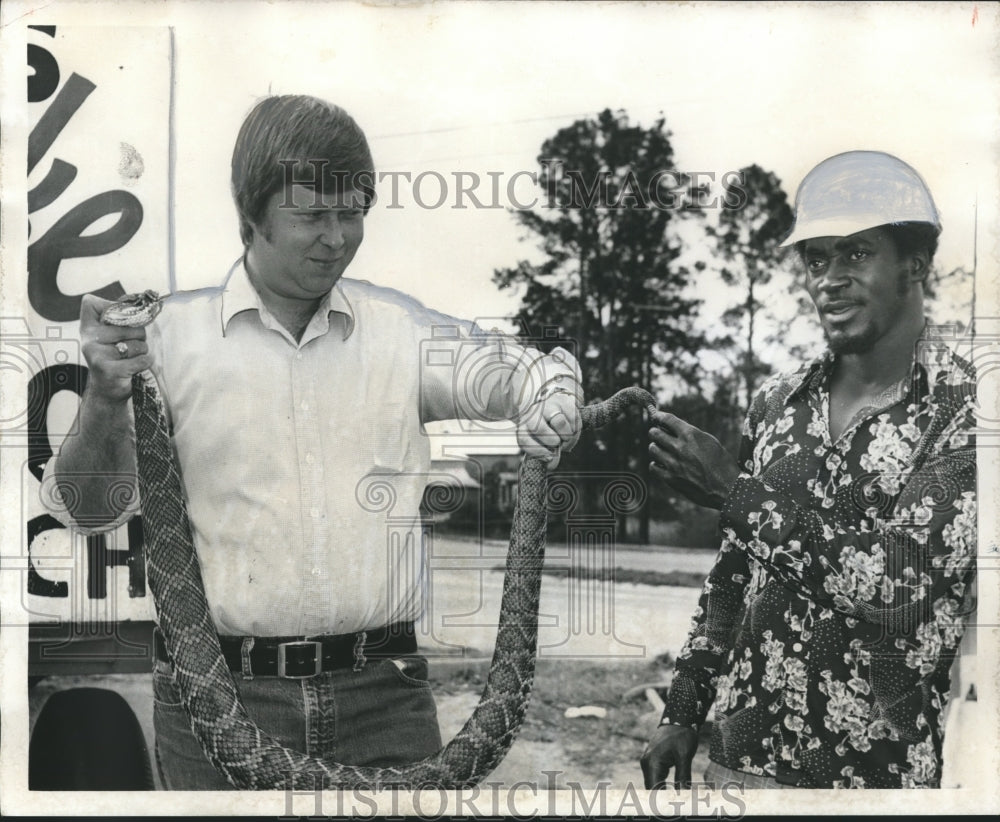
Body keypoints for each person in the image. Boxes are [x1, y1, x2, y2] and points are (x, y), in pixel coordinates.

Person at [43, 94, 582, 789]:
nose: (338, 236)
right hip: (220, 700)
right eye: (312, 215)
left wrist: (553, 396)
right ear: (252, 217)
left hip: (384, 699)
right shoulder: (165, 344)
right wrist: (106, 393)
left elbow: (519, 374)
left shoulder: (401, 334)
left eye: (352, 212)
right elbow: (88, 510)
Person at [639, 151, 977, 789]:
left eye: (855, 254)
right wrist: (684, 711)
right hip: (741, 762)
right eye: (816, 259)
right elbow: (733, 576)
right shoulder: (776, 402)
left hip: (874, 780)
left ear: (916, 263)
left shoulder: (964, 411)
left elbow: (900, 590)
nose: (829, 279)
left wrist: (734, 493)